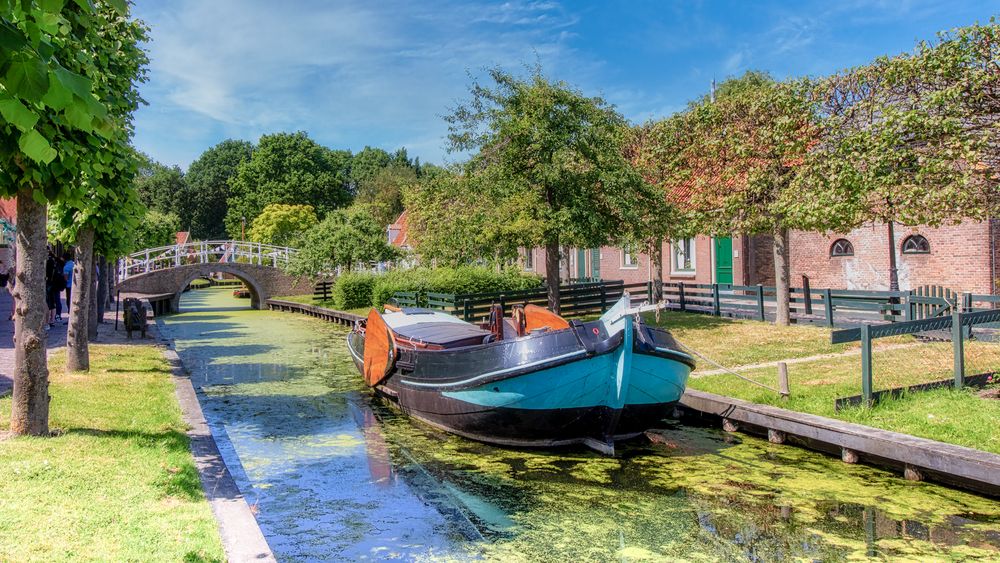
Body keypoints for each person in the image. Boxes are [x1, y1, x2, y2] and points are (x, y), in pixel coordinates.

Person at [62, 252, 74, 322]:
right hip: (74, 286)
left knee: (69, 301)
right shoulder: (73, 264)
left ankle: (70, 317)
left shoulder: (66, 267)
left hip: (69, 286)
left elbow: (66, 278)